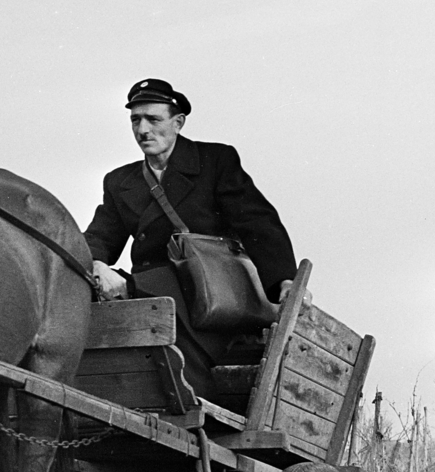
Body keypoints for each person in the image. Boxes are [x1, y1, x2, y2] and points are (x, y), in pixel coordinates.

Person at [84, 78, 297, 392]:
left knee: (165, 323)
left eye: (153, 119)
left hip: (211, 302)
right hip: (152, 296)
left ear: (178, 122)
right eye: (135, 119)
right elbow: (100, 237)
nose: (143, 130)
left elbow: (257, 224)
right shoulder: (120, 181)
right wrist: (96, 265)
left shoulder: (215, 162)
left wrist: (283, 281)